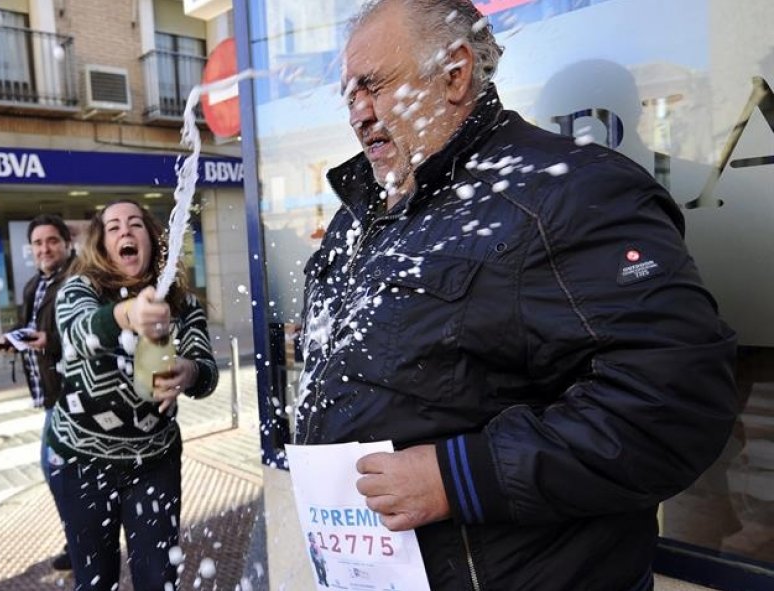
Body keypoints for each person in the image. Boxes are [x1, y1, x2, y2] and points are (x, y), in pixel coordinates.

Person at [296, 1, 739, 589]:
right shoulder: (366, 216)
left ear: (454, 72)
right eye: (349, 95)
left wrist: (458, 478)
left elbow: (675, 402)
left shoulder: (564, 192)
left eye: (373, 86)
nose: (359, 113)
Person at [47, 200, 218, 590]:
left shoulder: (180, 301)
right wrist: (127, 315)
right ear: (103, 243)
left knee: (159, 579)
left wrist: (187, 372)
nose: (125, 231)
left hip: (153, 463)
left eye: (135, 224)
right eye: (114, 227)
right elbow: (78, 332)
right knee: (95, 581)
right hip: (81, 463)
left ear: (152, 237)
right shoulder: (79, 288)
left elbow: (205, 372)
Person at [0, 213, 74, 570]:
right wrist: (13, 338)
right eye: (38, 243)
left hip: (72, 391)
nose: (45, 248)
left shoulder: (78, 279)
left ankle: (81, 539)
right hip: (50, 392)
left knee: (55, 467)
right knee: (67, 469)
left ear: (66, 242)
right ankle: (83, 535)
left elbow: (88, 330)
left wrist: (50, 342)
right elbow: (29, 327)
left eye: (52, 240)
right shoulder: (33, 285)